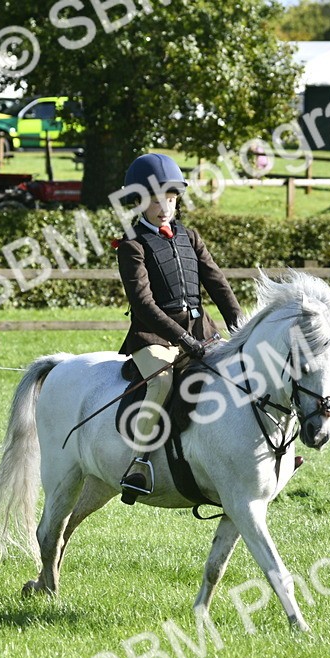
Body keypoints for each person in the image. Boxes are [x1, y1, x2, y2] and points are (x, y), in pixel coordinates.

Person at [114, 153, 243, 503]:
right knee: (160, 382)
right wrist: (182, 338)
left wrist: (240, 326)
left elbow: (217, 284)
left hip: (202, 334)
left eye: (170, 198)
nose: (164, 207)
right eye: (156, 199)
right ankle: (138, 462)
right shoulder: (132, 245)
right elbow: (143, 304)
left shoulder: (190, 237)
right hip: (153, 338)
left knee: (241, 373)